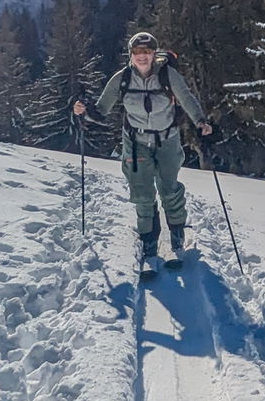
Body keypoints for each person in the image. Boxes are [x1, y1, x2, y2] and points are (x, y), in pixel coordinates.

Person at [74, 31, 211, 267]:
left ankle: (177, 231)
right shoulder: (122, 78)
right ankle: (149, 238)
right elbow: (101, 110)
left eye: (147, 52)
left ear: (154, 54)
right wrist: (83, 112)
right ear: (131, 54)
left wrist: (201, 122)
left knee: (169, 188)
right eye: (137, 52)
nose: (142, 56)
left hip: (167, 139)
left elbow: (187, 99)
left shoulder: (169, 75)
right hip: (135, 142)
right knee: (142, 192)